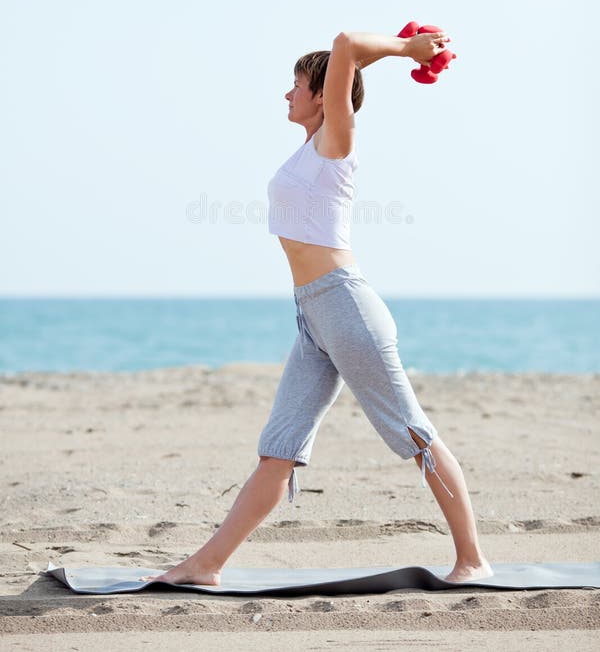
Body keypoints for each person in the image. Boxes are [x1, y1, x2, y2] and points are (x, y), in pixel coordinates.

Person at [143, 29, 493, 586]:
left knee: (416, 435)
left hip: (346, 307)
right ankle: (206, 565)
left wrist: (409, 52)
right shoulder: (309, 150)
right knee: (278, 449)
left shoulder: (337, 140)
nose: (287, 94)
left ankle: (472, 559)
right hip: (313, 313)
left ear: (323, 95)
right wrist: (387, 57)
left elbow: (347, 44)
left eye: (297, 84)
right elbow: (348, 61)